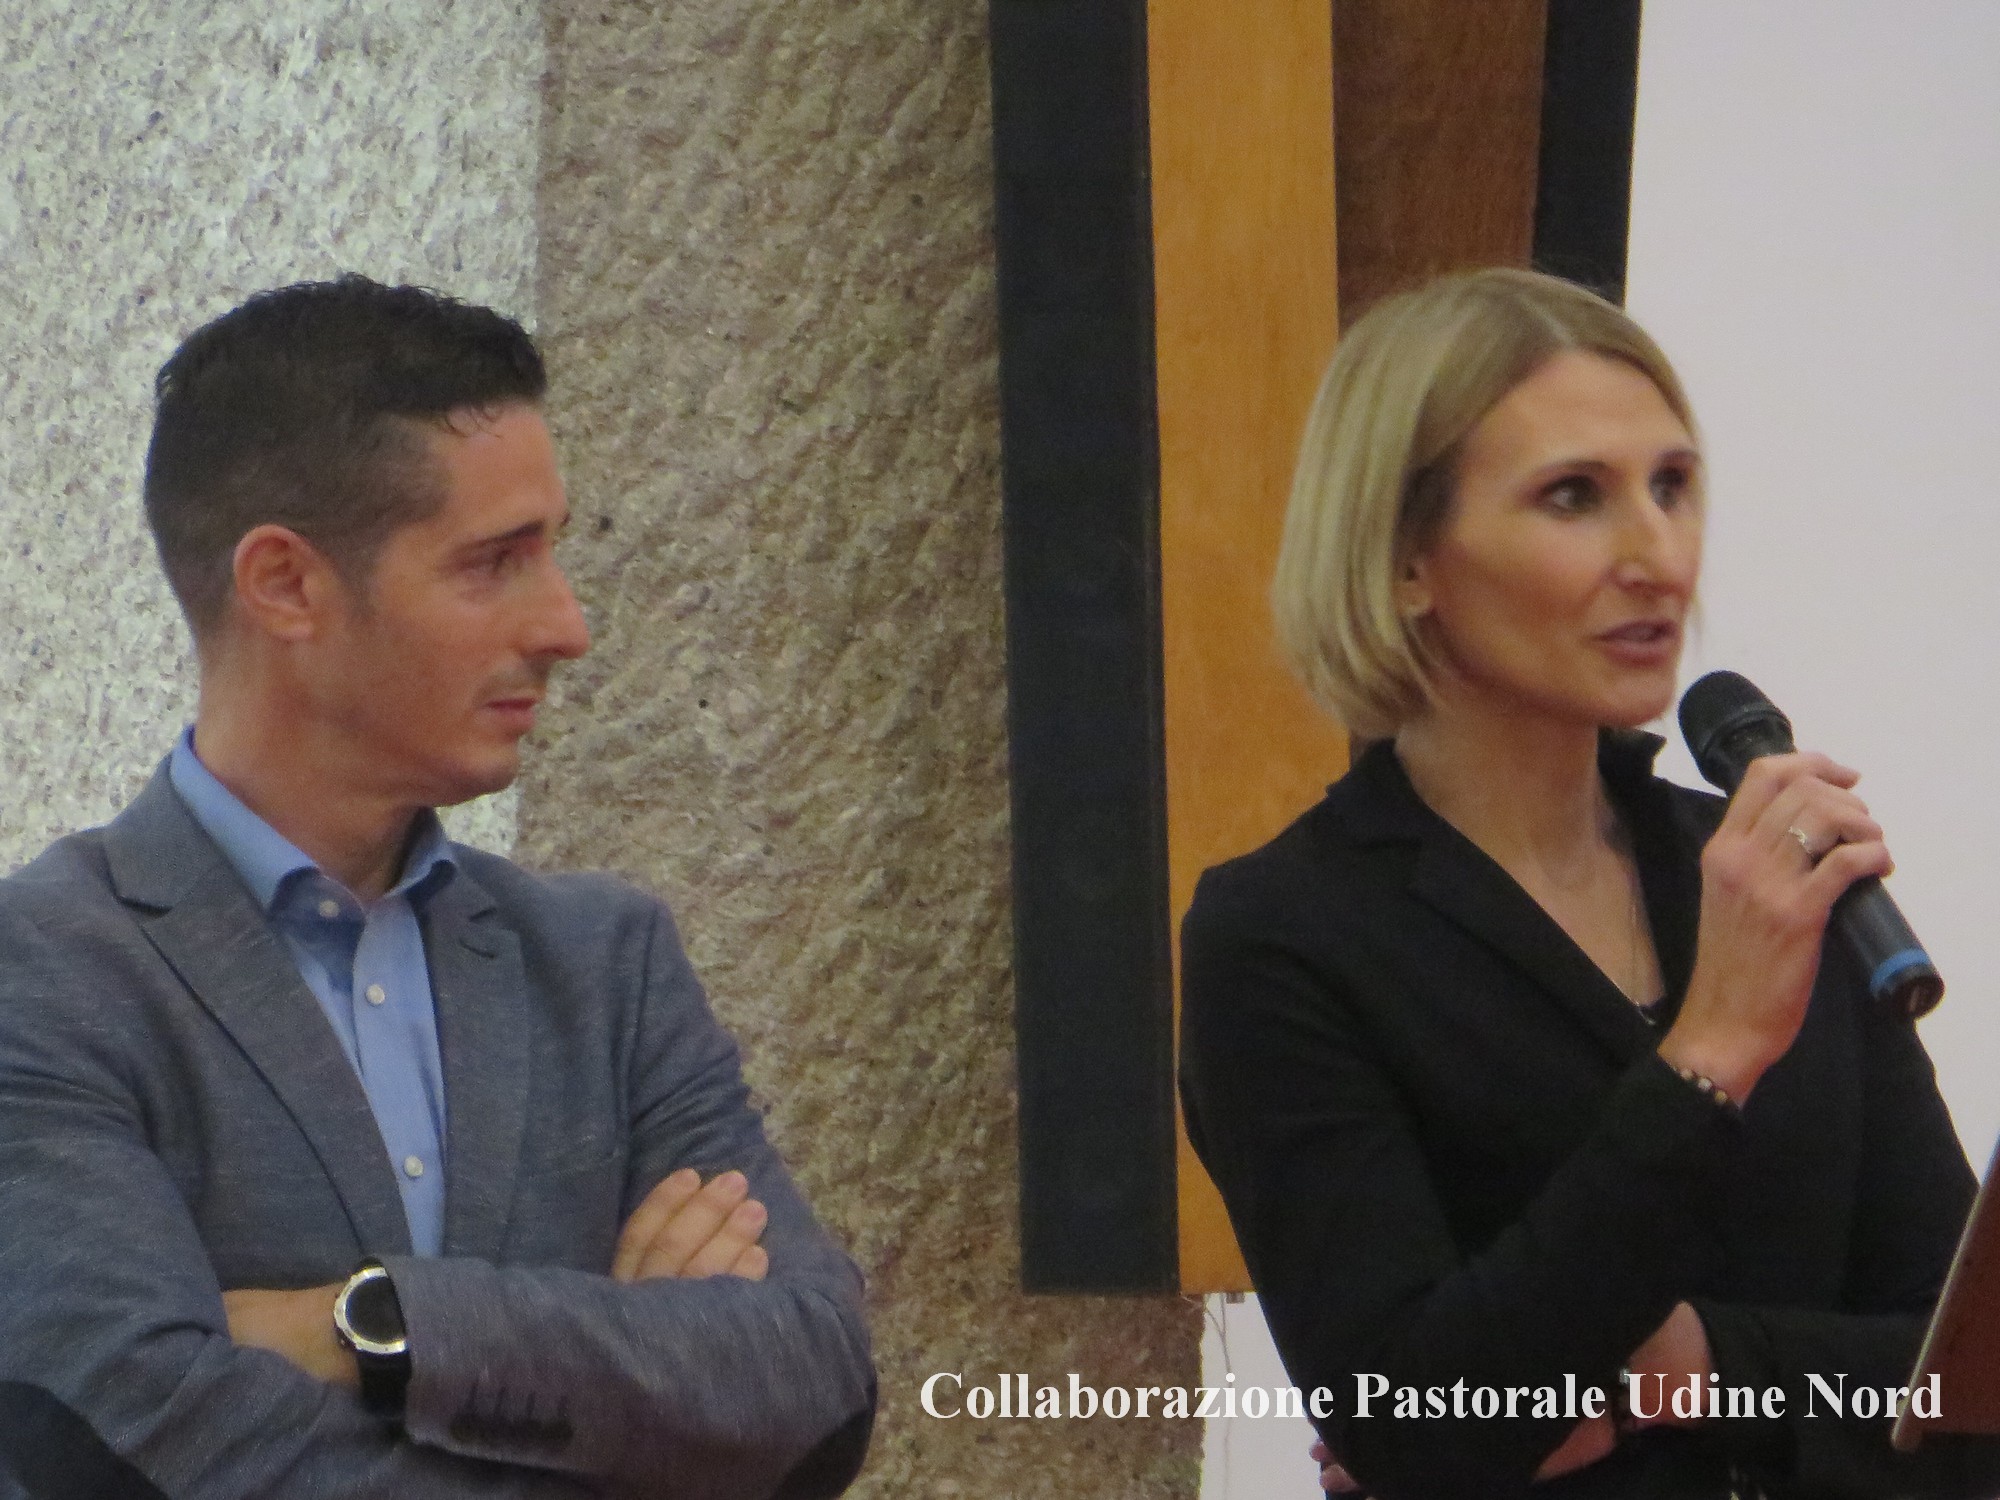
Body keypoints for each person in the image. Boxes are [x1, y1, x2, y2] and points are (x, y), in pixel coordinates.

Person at [0, 276, 875, 1499]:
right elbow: (127, 1444)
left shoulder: (605, 965)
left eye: (552, 551)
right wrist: (626, 1389)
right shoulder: (47, 972)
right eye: (494, 562)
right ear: (285, 585)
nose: (566, 626)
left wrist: (376, 1327)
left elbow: (813, 1392)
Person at [1178, 268, 2000, 1499]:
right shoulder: (1286, 934)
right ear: (1404, 560)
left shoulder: (1763, 873)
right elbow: (1418, 1428)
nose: (1656, 556)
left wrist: (1690, 1371)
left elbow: (1957, 1388)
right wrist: (1707, 1055)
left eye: (1671, 486)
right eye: (1573, 496)